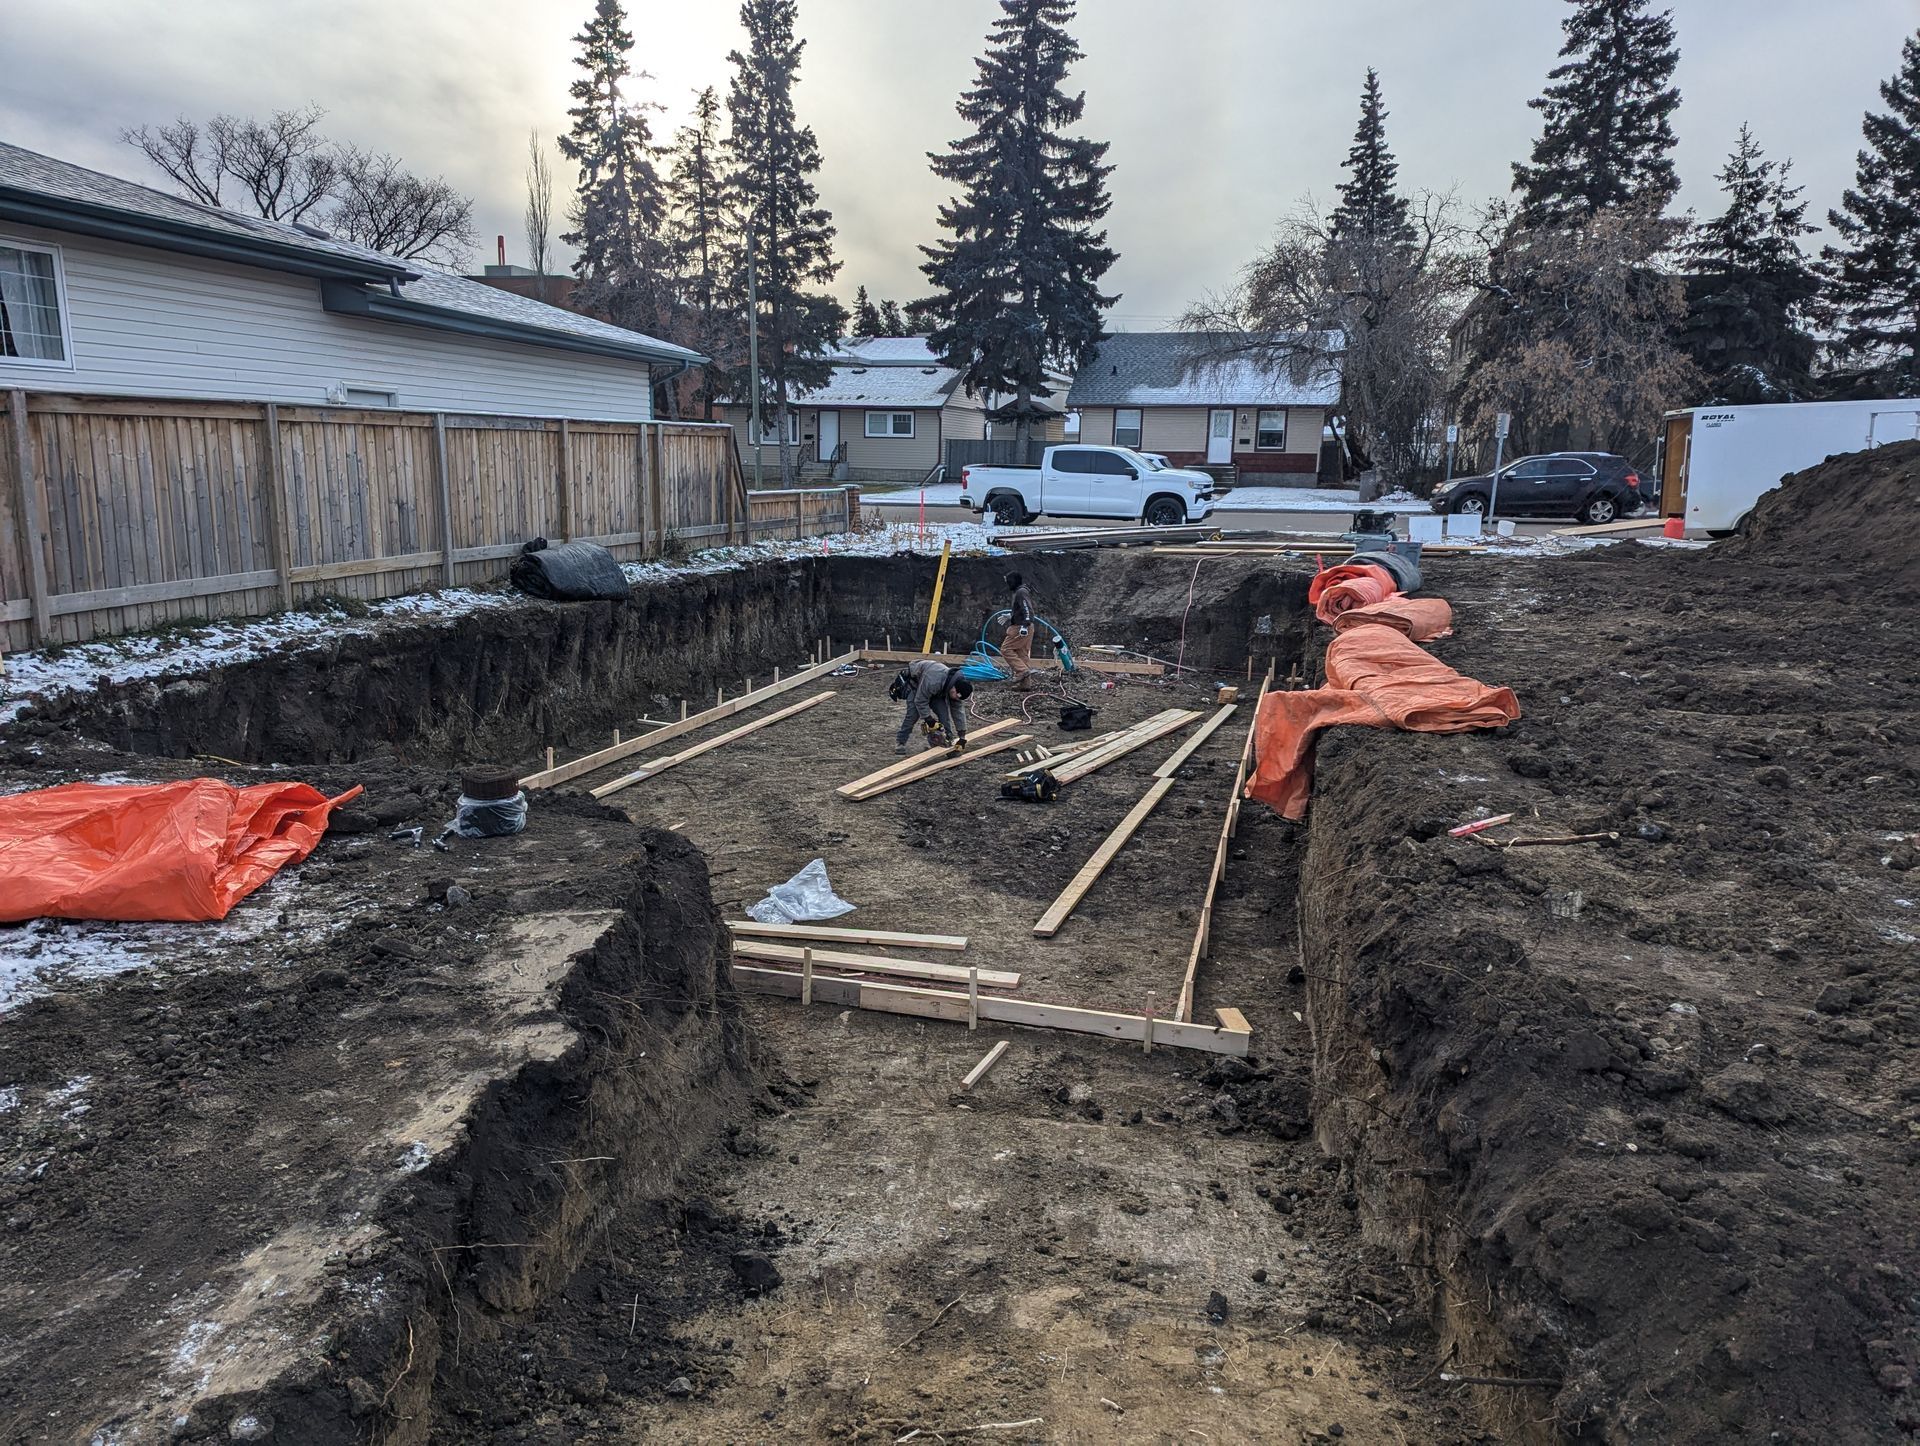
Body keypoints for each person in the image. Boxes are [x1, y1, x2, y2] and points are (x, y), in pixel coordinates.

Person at [894, 659, 973, 753]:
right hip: (918, 685)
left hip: (938, 689)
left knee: (944, 715)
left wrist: (962, 737)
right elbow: (920, 701)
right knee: (912, 715)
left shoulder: (958, 687)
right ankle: (900, 742)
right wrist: (929, 720)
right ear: (954, 689)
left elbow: (958, 711)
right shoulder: (933, 681)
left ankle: (948, 741)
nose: (956, 699)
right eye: (956, 696)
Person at [1002, 571, 1036, 691]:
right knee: (1022, 653)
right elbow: (1022, 609)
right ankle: (1025, 685)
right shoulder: (1021, 591)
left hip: (1021, 627)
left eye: (1008, 582)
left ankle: (1022, 671)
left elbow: (1028, 610)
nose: (1007, 584)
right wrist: (1011, 615)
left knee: (1006, 649)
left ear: (1012, 581)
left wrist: (1024, 625)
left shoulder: (1021, 592)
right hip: (1023, 625)